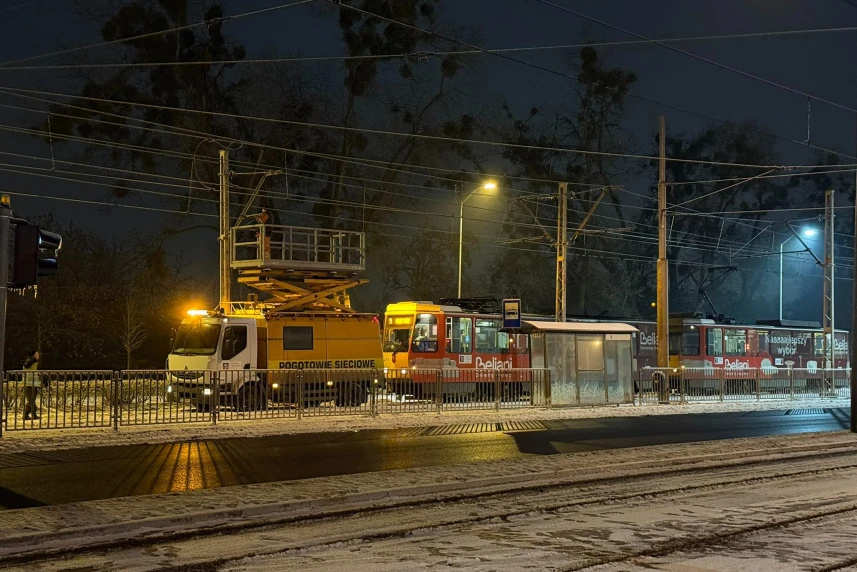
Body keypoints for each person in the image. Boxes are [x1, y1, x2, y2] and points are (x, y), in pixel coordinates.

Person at [22, 350, 40, 421]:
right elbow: (27, 364)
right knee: (31, 400)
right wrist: (34, 358)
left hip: (32, 383)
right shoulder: (30, 361)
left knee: (31, 400)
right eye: (37, 354)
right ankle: (31, 414)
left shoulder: (33, 362)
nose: (38, 355)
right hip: (29, 384)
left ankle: (27, 415)